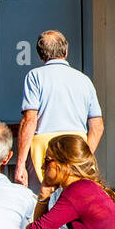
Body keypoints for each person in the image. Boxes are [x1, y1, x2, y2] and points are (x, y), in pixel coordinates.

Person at [13, 30, 104, 189]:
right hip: (76, 146)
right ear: (66, 51)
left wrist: (20, 164)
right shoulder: (84, 80)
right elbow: (97, 126)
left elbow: (29, 120)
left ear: (40, 55)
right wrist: (84, 157)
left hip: (44, 150)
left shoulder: (35, 76)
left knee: (41, 203)